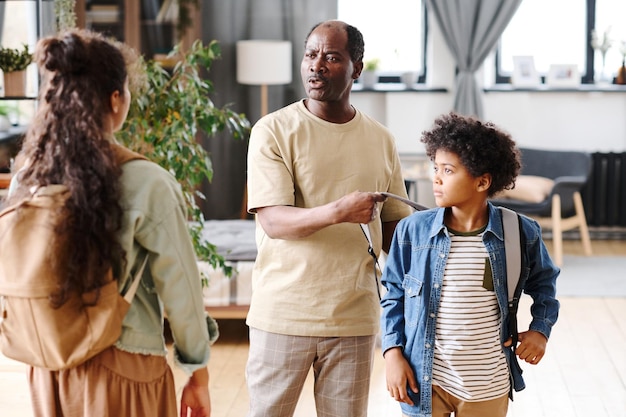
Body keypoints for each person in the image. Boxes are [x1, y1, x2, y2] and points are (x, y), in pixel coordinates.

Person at [7, 29, 217, 417]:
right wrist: (198, 374)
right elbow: (182, 290)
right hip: (125, 366)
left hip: (47, 366)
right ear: (116, 99)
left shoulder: (27, 178)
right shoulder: (148, 182)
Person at [245, 20, 413, 417]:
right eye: (310, 55)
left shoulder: (382, 139)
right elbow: (274, 221)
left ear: (356, 68)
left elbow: (396, 232)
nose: (316, 66)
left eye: (332, 57)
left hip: (355, 316)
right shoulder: (272, 131)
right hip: (283, 314)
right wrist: (339, 212)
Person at [380, 112, 560, 417]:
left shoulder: (519, 231)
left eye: (448, 170)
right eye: (435, 167)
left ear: (482, 181)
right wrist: (392, 354)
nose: (435, 177)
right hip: (423, 378)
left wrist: (540, 330)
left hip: (487, 383)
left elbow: (545, 285)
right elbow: (393, 294)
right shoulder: (412, 232)